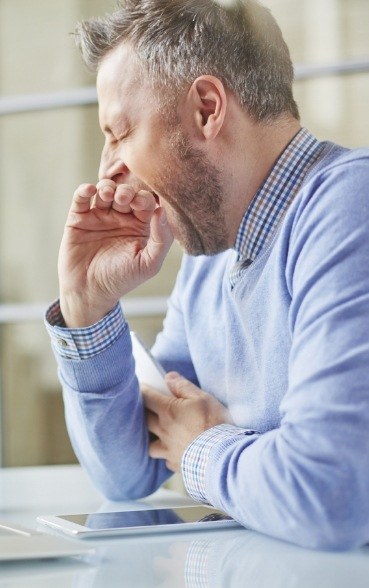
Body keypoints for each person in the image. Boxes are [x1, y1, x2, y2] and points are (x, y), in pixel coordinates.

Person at [45, 0, 369, 551]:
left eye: (119, 131)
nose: (107, 168)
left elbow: (329, 494)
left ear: (206, 108)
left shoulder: (348, 207)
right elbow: (127, 473)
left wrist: (201, 446)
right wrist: (87, 308)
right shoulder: (211, 259)